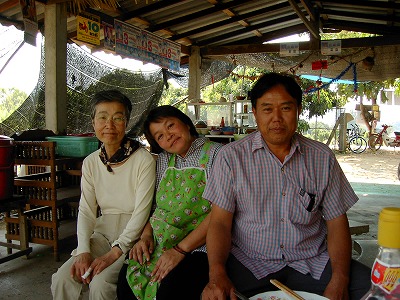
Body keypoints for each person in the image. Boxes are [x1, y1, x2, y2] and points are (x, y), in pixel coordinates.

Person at [201, 73, 371, 300]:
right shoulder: (231, 158)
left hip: (312, 262)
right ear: (254, 113)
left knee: (376, 289)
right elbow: (220, 223)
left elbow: (337, 222)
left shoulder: (322, 157)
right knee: (211, 293)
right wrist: (217, 274)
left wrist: (340, 279)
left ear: (298, 110)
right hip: (250, 263)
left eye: (286, 108)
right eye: (267, 109)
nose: (277, 119)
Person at [51, 90, 156, 299]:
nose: (110, 124)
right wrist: (83, 250)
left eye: (118, 118)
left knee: (101, 283)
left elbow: (142, 211)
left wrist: (115, 252)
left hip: (133, 234)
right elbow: (87, 210)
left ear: (126, 123)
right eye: (102, 117)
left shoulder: (143, 159)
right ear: (93, 123)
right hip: (102, 232)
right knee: (64, 277)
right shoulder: (91, 162)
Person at [117, 105, 223, 300]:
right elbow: (157, 208)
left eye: (171, 125)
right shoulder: (164, 161)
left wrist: (179, 250)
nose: (168, 135)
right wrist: (146, 236)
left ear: (185, 123)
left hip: (200, 246)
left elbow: (220, 213)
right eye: (159, 136)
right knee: (126, 283)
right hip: (161, 240)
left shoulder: (217, 154)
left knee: (169, 291)